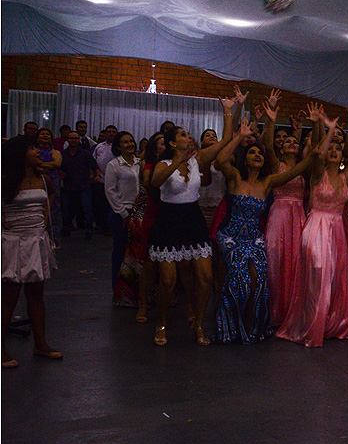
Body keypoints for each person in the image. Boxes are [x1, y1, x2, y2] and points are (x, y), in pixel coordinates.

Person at [212, 117, 316, 345]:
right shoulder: (235, 178)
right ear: (245, 159)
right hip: (231, 237)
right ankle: (230, 324)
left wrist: (313, 152)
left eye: (260, 153)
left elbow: (296, 171)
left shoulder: (267, 182)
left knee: (259, 281)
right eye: (252, 153)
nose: (257, 155)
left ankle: (252, 326)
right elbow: (220, 160)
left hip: (254, 239)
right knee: (241, 279)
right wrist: (240, 136)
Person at [148, 90, 240, 345]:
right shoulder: (163, 164)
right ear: (172, 143)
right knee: (168, 281)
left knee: (206, 277)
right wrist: (177, 160)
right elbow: (155, 183)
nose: (188, 137)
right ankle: (161, 323)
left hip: (193, 219)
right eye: (183, 135)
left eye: (189, 134)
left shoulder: (198, 160)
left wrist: (228, 110)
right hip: (169, 221)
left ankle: (198, 323)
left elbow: (226, 139)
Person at [278, 110, 348, 346]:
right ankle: (313, 325)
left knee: (335, 277)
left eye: (338, 149)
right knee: (317, 273)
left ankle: (332, 323)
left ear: (342, 156)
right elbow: (318, 152)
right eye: (331, 148)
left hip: (337, 229)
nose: (333, 151)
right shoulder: (317, 173)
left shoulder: (346, 176)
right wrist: (329, 130)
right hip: (316, 227)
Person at [2, 135, 62, 368]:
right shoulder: (6, 179)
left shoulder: (43, 178)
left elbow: (52, 195)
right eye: (31, 147)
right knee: (9, 298)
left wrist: (45, 213)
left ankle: (41, 344)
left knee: (36, 295)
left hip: (36, 240)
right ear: (19, 154)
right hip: (13, 241)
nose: (37, 151)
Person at [261, 90, 308, 328]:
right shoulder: (275, 164)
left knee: (297, 262)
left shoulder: (304, 168)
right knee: (276, 259)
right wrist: (271, 117)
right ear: (282, 149)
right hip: (279, 214)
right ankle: (275, 313)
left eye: (295, 141)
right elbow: (268, 146)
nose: (291, 143)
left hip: (298, 215)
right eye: (287, 141)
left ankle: (294, 310)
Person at [104, 131, 141, 305]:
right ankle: (119, 293)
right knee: (120, 252)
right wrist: (123, 213)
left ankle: (136, 292)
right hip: (121, 213)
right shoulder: (114, 165)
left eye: (131, 141)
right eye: (125, 142)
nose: (129, 144)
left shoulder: (139, 163)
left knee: (136, 254)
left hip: (139, 212)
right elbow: (110, 191)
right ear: (118, 146)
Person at [60, 130, 100, 238]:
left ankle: (89, 230)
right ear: (68, 140)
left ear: (79, 140)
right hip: (68, 186)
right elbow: (58, 168)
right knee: (66, 210)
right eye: (71, 138)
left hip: (84, 186)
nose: (74, 140)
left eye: (76, 138)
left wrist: (97, 175)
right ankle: (65, 229)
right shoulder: (63, 154)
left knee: (87, 209)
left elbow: (94, 166)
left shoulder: (85, 154)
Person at [35, 128, 63, 243]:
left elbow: (56, 163)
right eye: (42, 134)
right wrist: (47, 165)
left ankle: (53, 238)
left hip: (52, 182)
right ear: (37, 137)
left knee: (53, 208)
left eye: (47, 134)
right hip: (36, 182)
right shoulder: (33, 151)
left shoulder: (55, 152)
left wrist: (39, 165)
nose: (45, 136)